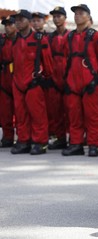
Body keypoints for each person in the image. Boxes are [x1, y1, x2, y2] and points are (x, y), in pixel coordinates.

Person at [62, 4, 98, 157]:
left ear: (88, 16)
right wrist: (67, 80)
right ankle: (76, 144)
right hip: (72, 83)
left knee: (92, 115)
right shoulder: (69, 36)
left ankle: (94, 144)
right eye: (75, 13)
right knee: (74, 115)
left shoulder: (96, 36)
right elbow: (65, 59)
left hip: (90, 82)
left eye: (81, 13)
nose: (77, 16)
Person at [11, 9, 53, 155]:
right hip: (18, 83)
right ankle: (24, 140)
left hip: (33, 83)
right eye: (16, 20)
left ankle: (40, 142)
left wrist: (45, 78)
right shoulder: (15, 39)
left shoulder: (39, 38)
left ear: (29, 22)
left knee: (37, 114)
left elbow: (48, 62)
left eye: (21, 19)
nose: (18, 22)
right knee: (21, 115)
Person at [46, 6, 69, 150]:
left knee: (72, 111)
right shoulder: (50, 37)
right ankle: (60, 138)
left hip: (68, 77)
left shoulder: (71, 36)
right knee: (56, 110)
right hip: (54, 77)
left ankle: (76, 139)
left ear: (65, 18)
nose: (56, 19)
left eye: (59, 16)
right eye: (54, 16)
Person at [0, 16, 17, 148]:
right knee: (5, 110)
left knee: (22, 110)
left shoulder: (22, 39)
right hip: (5, 75)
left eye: (10, 24)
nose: (7, 27)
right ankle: (7, 137)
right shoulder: (2, 41)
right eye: (5, 24)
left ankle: (24, 136)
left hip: (19, 75)